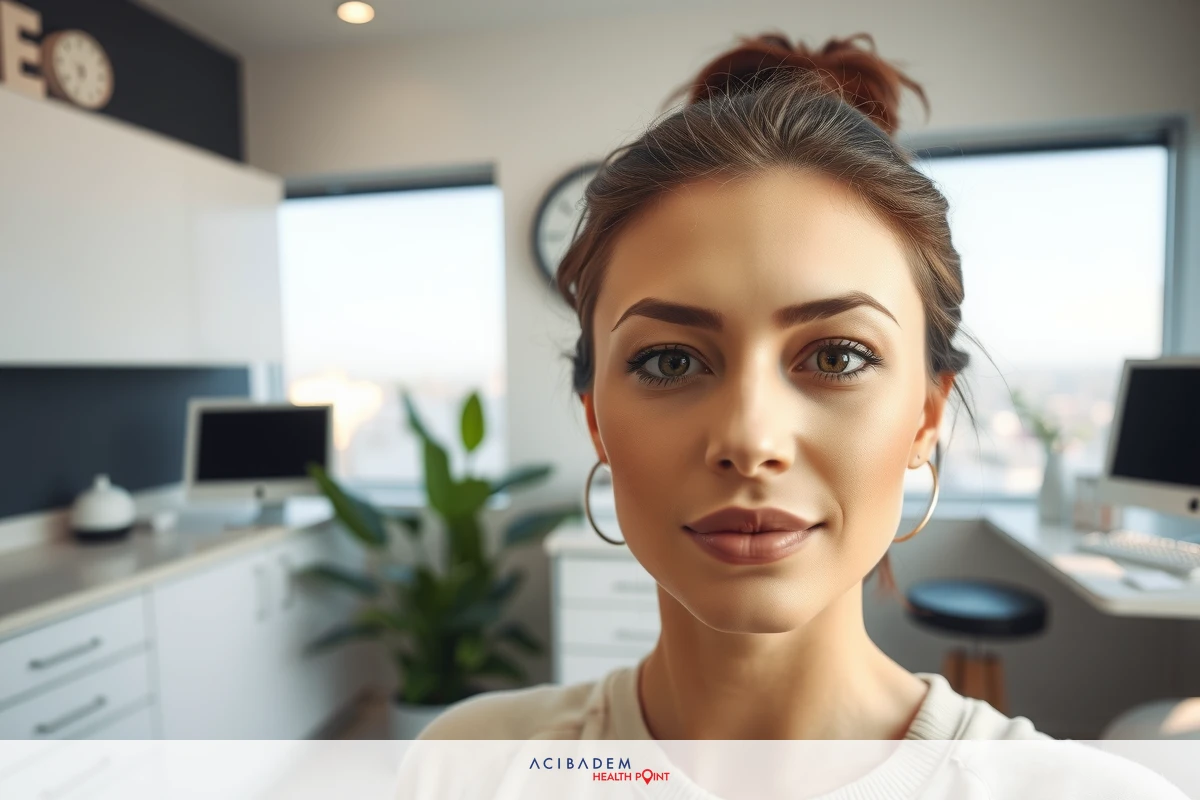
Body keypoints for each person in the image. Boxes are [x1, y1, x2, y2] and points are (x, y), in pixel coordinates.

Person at [405, 30, 1189, 799]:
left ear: (925, 416)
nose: (750, 440)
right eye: (670, 361)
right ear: (597, 423)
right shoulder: (463, 767)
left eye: (837, 356)